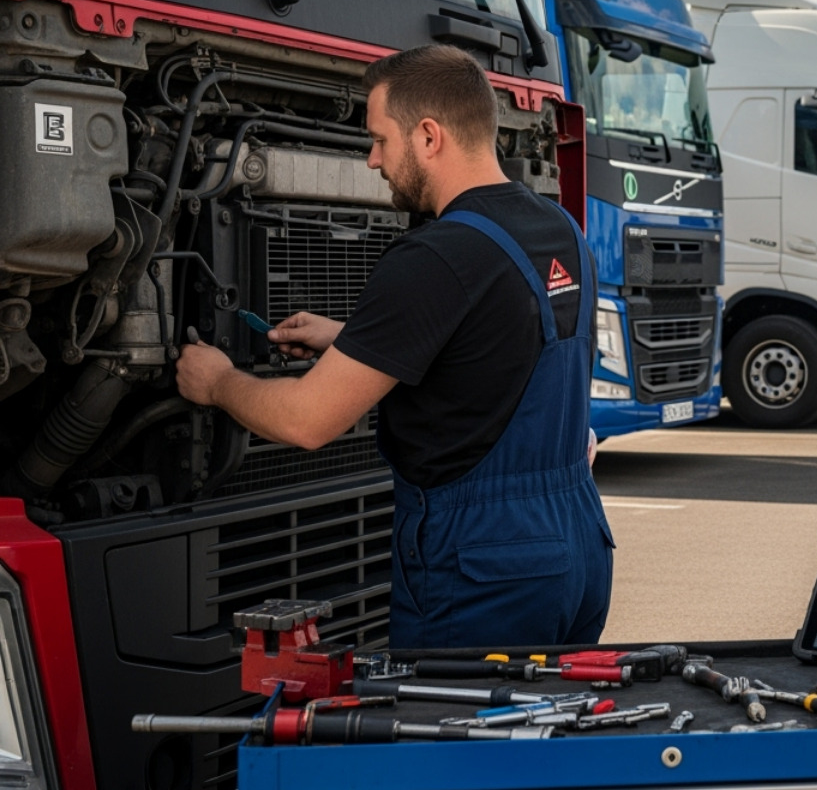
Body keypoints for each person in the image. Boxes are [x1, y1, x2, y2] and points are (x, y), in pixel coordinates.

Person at [176, 44, 613, 649]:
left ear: (429, 136)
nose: (372, 159)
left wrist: (217, 381)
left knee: (449, 737)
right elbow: (503, 345)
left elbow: (307, 422)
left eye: (380, 138)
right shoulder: (560, 229)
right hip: (578, 547)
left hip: (486, 566)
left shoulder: (435, 256)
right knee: (542, 735)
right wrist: (354, 342)